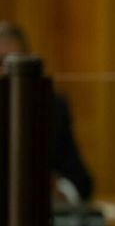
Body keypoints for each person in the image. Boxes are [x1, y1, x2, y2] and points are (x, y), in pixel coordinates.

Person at [0, 21, 94, 204]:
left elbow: (81, 181)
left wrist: (58, 190)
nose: (8, 72)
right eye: (1, 62)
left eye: (16, 63)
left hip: (37, 212)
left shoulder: (52, 106)